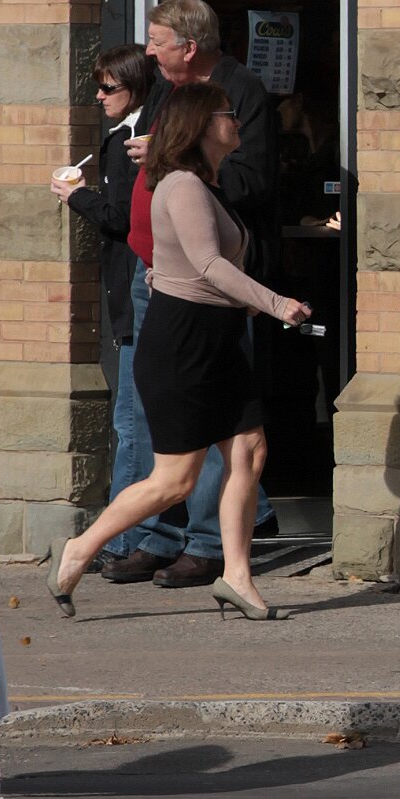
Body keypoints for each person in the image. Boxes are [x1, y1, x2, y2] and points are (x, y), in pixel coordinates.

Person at [52, 84, 311, 623]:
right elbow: (209, 265)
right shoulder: (184, 184)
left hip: (217, 337)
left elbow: (188, 268)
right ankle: (81, 547)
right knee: (175, 479)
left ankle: (236, 575)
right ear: (200, 124)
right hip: (184, 344)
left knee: (249, 450)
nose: (237, 120)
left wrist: (245, 304)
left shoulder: (208, 183)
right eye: (227, 113)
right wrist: (276, 303)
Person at [120, 0, 280, 589]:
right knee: (157, 411)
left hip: (209, 287)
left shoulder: (239, 93)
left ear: (189, 47)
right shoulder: (166, 90)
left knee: (216, 418)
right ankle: (157, 536)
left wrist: (178, 164)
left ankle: (208, 543)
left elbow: (253, 179)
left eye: (157, 41)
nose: (149, 52)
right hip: (155, 273)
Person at [56, 45, 153, 580]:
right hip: (131, 292)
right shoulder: (124, 137)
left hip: (137, 292)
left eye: (108, 87)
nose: (99, 96)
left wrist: (77, 197)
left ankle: (124, 540)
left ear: (135, 88)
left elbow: (121, 217)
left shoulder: (132, 143)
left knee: (132, 423)